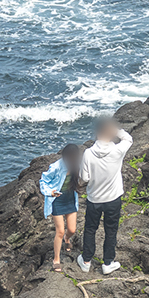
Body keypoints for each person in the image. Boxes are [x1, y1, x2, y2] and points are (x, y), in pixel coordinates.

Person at [77, 118, 133, 275]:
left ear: (96, 132)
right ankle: (108, 263)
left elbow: (85, 178)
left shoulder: (88, 153)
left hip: (94, 199)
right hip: (113, 199)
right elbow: (128, 138)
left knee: (90, 229)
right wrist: (117, 130)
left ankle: (86, 261)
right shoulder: (117, 151)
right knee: (111, 230)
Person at [39, 143, 82, 272]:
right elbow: (43, 180)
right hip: (57, 201)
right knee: (60, 231)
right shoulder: (56, 167)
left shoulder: (76, 165)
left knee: (72, 229)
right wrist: (50, 192)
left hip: (70, 200)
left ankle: (67, 239)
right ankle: (56, 259)